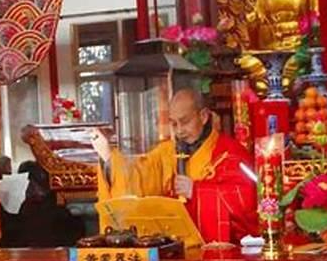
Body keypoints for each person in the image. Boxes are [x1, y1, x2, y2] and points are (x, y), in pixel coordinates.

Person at [92, 88, 258, 244]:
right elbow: (139, 176)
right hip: (173, 247)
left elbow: (247, 200)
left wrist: (196, 190)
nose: (179, 131)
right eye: (173, 124)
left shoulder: (229, 152)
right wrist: (108, 157)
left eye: (185, 122)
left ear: (204, 116)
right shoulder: (167, 151)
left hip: (217, 252)